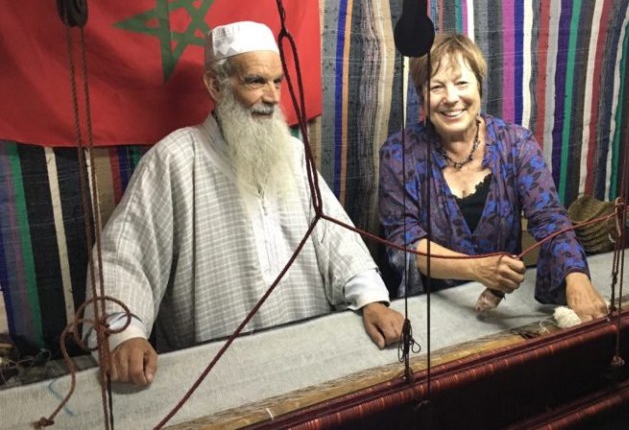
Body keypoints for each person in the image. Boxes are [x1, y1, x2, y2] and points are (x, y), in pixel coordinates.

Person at [85, 21, 403, 386]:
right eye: (255, 81)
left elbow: (335, 239)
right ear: (215, 85)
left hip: (309, 359)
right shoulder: (174, 160)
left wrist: (370, 300)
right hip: (217, 376)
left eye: (277, 82)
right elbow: (124, 259)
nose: (271, 96)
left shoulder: (293, 153)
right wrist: (126, 336)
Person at [378, 33, 606, 320]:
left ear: (479, 87)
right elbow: (404, 244)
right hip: (432, 311)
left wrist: (576, 276)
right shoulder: (398, 154)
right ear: (422, 97)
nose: (451, 98)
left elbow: (549, 218)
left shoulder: (516, 144)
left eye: (462, 83)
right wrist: (476, 268)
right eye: (437, 87)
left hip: (502, 307)